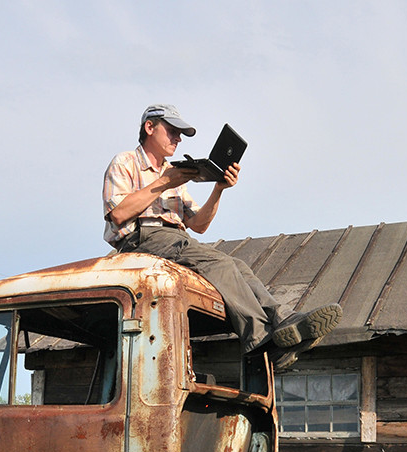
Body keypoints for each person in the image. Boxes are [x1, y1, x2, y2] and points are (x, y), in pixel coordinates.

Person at [103, 103, 340, 370]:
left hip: (175, 239)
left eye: (180, 134)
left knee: (239, 266)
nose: (178, 139)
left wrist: (219, 189)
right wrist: (165, 183)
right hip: (141, 238)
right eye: (172, 131)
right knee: (221, 264)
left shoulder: (173, 173)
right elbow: (118, 214)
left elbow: (198, 224)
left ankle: (282, 319)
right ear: (149, 127)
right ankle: (261, 339)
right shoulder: (126, 162)